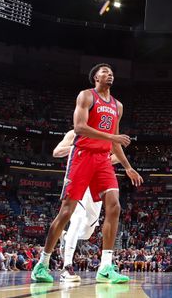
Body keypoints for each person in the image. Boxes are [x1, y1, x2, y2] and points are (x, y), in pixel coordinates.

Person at [31, 63, 143, 284]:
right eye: (104, 72)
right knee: (66, 212)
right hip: (82, 156)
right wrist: (112, 138)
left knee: (114, 207)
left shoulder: (117, 105)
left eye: (111, 72)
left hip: (102, 160)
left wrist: (128, 166)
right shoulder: (86, 96)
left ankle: (106, 266)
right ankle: (42, 264)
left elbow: (116, 141)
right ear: (95, 78)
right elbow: (80, 127)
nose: (109, 74)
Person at [52, 129, 120, 283]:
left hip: (96, 182)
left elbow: (116, 156)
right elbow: (57, 152)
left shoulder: (106, 134)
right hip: (79, 177)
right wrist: (80, 148)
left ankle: (65, 236)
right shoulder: (74, 134)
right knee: (78, 219)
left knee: (88, 231)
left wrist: (101, 158)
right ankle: (67, 267)